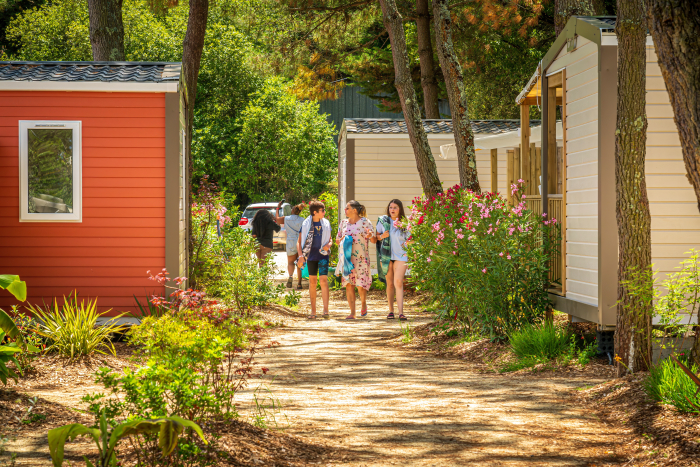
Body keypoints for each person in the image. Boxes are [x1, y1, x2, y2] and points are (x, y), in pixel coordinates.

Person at [336, 200, 376, 319]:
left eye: (347, 208)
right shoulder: (343, 223)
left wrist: (370, 236)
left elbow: (373, 240)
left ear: (354, 210)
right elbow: (337, 240)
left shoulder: (365, 222)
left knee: (360, 285)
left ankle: (363, 303)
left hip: (361, 259)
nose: (345, 210)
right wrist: (339, 240)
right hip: (347, 259)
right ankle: (352, 313)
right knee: (349, 284)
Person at [297, 200, 332, 319]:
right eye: (322, 210)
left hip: (323, 255)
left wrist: (329, 245)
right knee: (312, 283)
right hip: (310, 256)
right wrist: (301, 256)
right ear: (315, 212)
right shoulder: (306, 224)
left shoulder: (326, 223)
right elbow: (299, 242)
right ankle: (313, 311)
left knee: (323, 281)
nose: (324, 212)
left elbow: (330, 239)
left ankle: (326, 310)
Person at [376, 199, 409, 321]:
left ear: (400, 209)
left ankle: (401, 312)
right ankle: (391, 311)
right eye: (390, 207)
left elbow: (411, 238)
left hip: (401, 255)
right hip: (386, 255)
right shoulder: (383, 221)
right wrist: (381, 236)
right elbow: (377, 237)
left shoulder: (405, 223)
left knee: (398, 282)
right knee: (389, 284)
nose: (392, 210)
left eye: (395, 207)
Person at [275, 201, 305, 289]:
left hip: (290, 242)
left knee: (290, 262)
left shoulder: (286, 218)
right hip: (300, 242)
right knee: (300, 263)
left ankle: (291, 276)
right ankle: (299, 284)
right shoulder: (302, 220)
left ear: (292, 210)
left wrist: (278, 208)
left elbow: (277, 219)